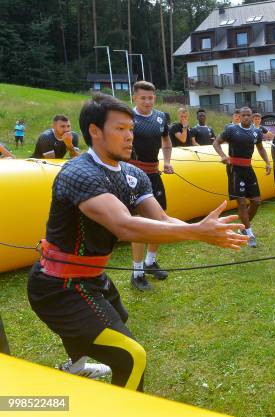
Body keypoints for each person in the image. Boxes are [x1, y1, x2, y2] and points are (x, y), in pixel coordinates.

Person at [27, 93, 247, 392]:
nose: (130, 136)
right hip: (58, 286)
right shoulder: (79, 172)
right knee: (131, 357)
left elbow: (161, 220)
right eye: (120, 129)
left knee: (117, 319)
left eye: (131, 129)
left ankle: (74, 367)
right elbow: (125, 226)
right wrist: (197, 232)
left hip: (92, 278)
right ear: (95, 131)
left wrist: (202, 229)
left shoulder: (132, 174)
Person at [127, 81, 174, 291]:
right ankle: (136, 273)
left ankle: (150, 262)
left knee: (160, 218)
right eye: (143, 98)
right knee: (138, 223)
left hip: (154, 173)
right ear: (134, 98)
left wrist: (167, 161)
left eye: (150, 98)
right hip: (133, 174)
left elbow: (166, 141)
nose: (147, 101)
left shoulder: (161, 117)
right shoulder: (127, 117)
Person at [213, 107, 272, 248]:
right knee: (241, 202)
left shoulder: (256, 132)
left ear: (252, 117)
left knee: (256, 201)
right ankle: (250, 233)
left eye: (248, 115)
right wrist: (223, 156)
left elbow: (261, 148)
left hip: (248, 168)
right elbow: (216, 143)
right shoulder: (231, 130)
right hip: (234, 169)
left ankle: (243, 227)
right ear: (239, 116)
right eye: (243, 115)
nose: (246, 117)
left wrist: (268, 162)